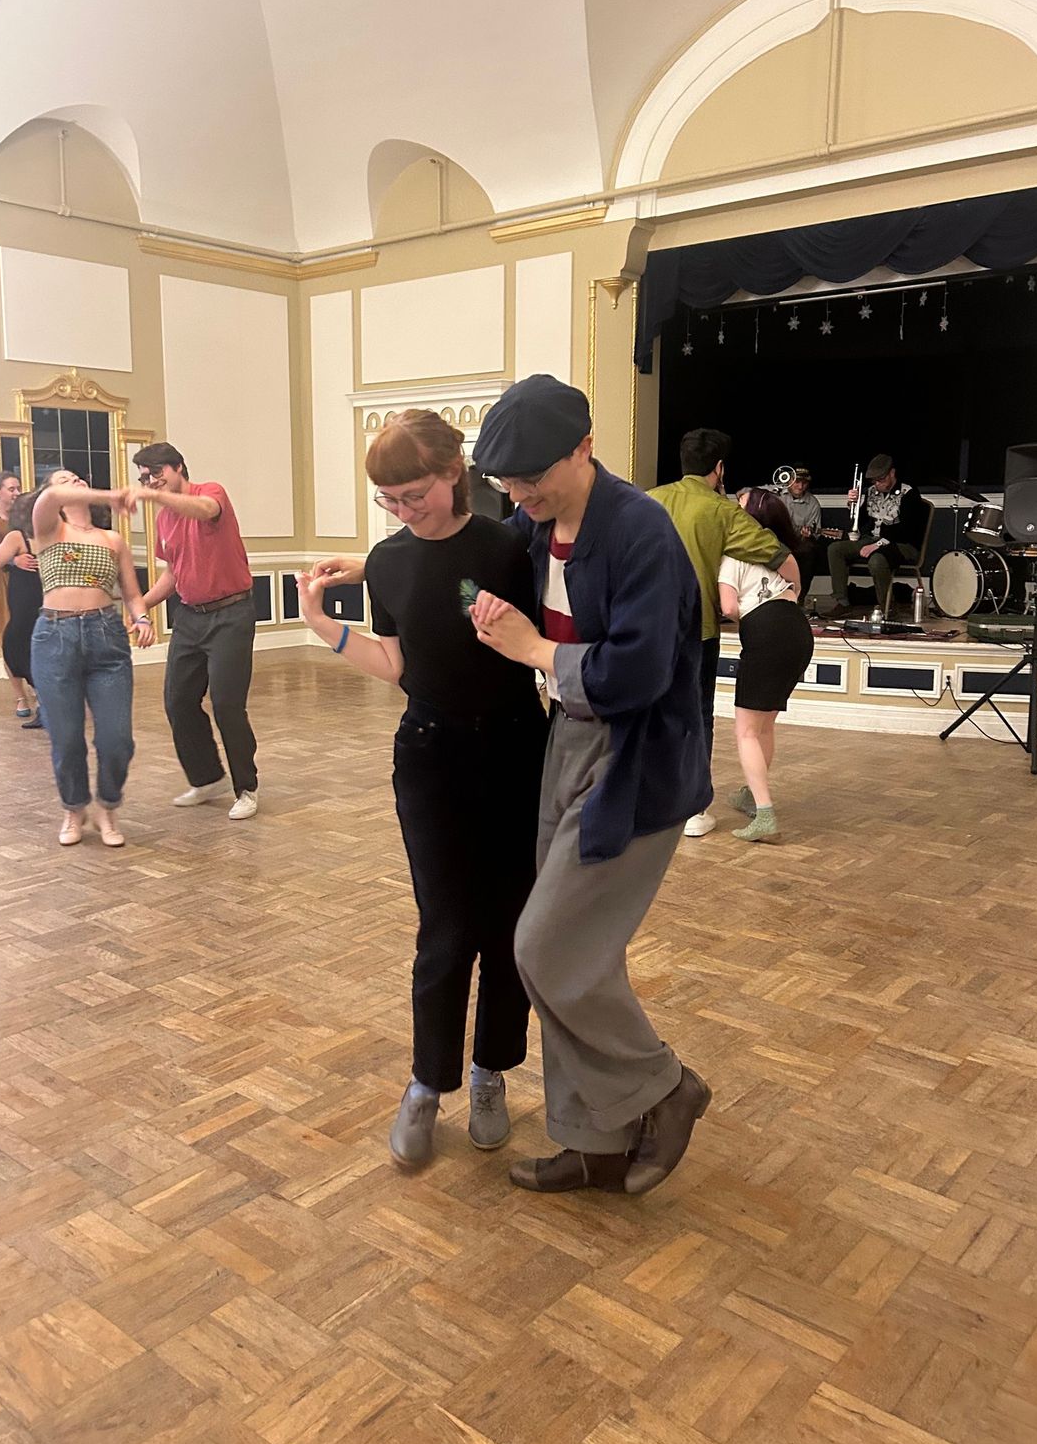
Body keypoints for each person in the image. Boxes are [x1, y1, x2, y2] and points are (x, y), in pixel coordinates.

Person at [467, 374, 712, 1197]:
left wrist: (534, 651)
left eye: (534, 474)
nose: (521, 493)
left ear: (585, 446)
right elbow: (476, 580)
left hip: (638, 758)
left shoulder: (640, 529)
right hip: (567, 744)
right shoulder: (534, 527)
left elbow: (640, 672)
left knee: (547, 945)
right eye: (508, 482)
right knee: (568, 958)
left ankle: (667, 1087)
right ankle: (593, 1140)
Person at [299, 410, 547, 1170]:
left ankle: (489, 1075)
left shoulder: (509, 549)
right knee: (443, 930)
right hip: (430, 755)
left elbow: (545, 647)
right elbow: (399, 668)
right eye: (389, 500)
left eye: (414, 494)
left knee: (509, 930)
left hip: (514, 751)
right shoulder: (388, 561)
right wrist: (320, 625)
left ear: (453, 473)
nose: (404, 511)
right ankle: (425, 1084)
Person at [649, 430, 799, 838]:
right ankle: (694, 810)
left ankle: (653, 801)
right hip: (698, 629)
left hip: (647, 628)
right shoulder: (721, 510)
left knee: (653, 711)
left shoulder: (649, 500)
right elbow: (779, 555)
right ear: (719, 469)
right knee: (697, 715)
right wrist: (794, 591)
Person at [132, 444, 259, 822]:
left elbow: (206, 512)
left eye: (157, 473)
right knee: (178, 700)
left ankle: (246, 788)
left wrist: (154, 495)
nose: (152, 481)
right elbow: (173, 572)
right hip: (189, 617)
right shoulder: (163, 521)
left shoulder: (210, 493)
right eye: (144, 477)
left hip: (231, 614)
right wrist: (141, 605)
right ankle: (206, 778)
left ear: (178, 468)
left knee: (226, 703)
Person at [30, 469, 155, 847]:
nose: (74, 481)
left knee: (117, 740)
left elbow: (132, 594)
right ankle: (74, 808)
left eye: (78, 477)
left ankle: (107, 806)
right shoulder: (48, 529)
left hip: (106, 637)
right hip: (54, 638)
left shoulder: (113, 539)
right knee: (66, 739)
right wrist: (111, 495)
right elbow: (48, 499)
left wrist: (143, 617)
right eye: (63, 479)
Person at [720, 488, 814, 844]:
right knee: (764, 725)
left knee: (745, 730)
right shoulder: (777, 552)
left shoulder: (736, 553)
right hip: (797, 630)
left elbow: (729, 606)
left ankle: (764, 814)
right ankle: (751, 795)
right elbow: (796, 587)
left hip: (767, 633)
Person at [827, 454, 928, 616]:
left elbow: (907, 530)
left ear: (892, 473)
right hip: (872, 539)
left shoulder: (909, 493)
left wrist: (877, 545)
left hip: (902, 544)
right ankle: (842, 602)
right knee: (835, 549)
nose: (877, 484)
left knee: (877, 560)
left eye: (881, 479)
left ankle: (887, 607)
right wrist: (853, 505)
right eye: (874, 481)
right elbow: (860, 523)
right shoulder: (871, 492)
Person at [0, 486, 46, 729]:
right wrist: (14, 558)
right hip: (34, 596)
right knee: (26, 645)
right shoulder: (34, 535)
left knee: (20, 645)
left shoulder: (19, 536)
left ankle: (45, 703)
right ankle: (43, 702)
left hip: (33, 598)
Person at [0, 469, 34, 720]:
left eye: (18, 488)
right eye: (11, 488)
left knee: (30, 636)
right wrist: (13, 559)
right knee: (9, 639)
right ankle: (20, 696)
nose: (16, 492)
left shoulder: (22, 517)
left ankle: (38, 688)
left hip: (24, 585)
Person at [764, 467, 824, 595]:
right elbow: (745, 492)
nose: (800, 486)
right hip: (776, 540)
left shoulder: (813, 503)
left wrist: (807, 535)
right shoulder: (777, 495)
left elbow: (815, 533)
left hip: (798, 543)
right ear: (789, 481)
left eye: (804, 483)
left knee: (810, 551)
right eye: (797, 482)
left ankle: (800, 596)